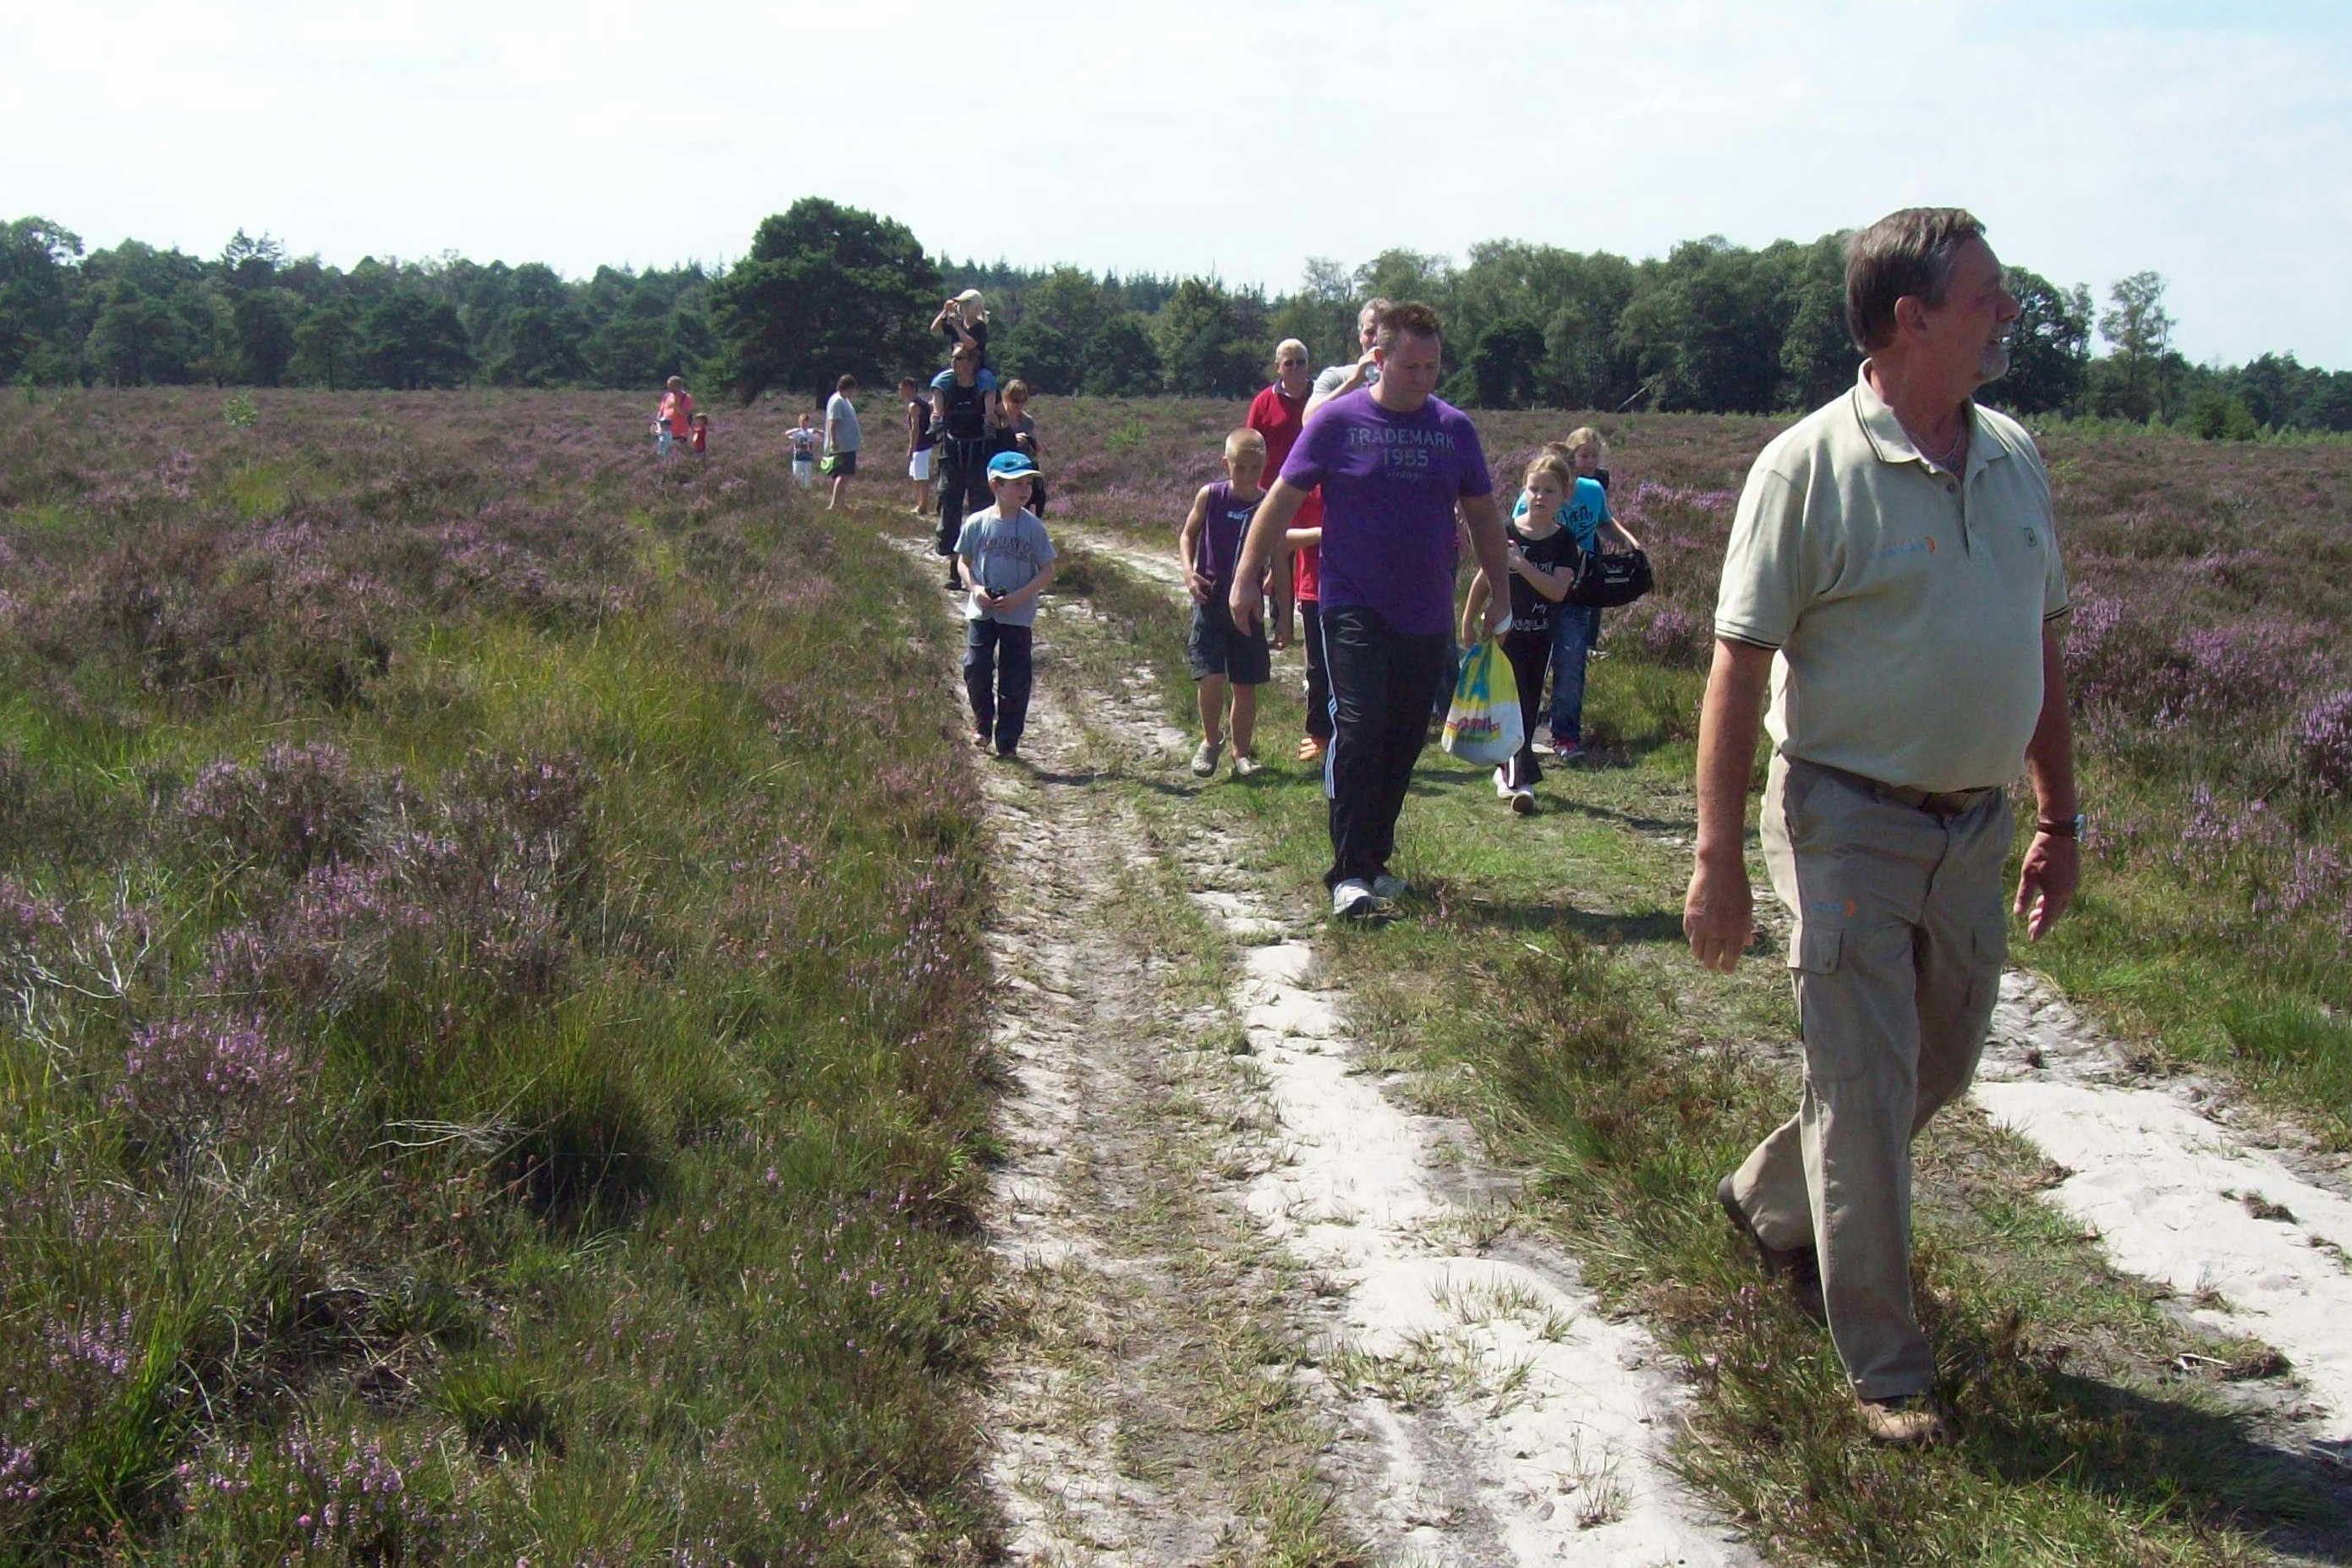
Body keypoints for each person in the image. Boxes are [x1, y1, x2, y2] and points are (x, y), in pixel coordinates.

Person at [1685, 208, 2079, 1449]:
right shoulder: (1805, 467)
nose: (2008, 314)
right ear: (1909, 318)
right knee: (1862, 1089)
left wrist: (2059, 815)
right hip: (1844, 814)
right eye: (1986, 297)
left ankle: (1766, 1195)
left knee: (1941, 1061)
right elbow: (1737, 668)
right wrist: (1716, 860)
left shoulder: (2013, 454)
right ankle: (1886, 1366)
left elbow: (2042, 646)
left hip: (1974, 821)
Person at [1229, 302, 1510, 920]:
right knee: (1357, 728)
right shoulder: (1335, 423)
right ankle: (1348, 871)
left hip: (1426, 608)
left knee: (1403, 737)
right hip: (1351, 603)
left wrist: (1500, 590)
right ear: (1376, 358)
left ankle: (1375, 860)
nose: (1421, 377)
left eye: (1432, 366)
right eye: (1409, 365)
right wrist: (1246, 577)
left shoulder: (1453, 430)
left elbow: (1484, 515)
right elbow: (1279, 501)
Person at [1459, 454, 1584, 814]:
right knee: (1508, 706)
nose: (1540, 497)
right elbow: (1484, 579)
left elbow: (1557, 590)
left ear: (1564, 495)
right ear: (1523, 491)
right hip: (1503, 635)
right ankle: (1521, 783)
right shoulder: (1508, 532)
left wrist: (1524, 566)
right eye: (1534, 489)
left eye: (1549, 490)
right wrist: (1468, 620)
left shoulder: (1564, 541)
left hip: (1541, 636)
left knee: (1528, 706)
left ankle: (1508, 771)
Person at [1515, 449, 1638, 760]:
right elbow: (1515, 536)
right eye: (1536, 488)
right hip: (1534, 595)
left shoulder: (1592, 492)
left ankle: (1566, 736)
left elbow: (1605, 522)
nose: (1541, 495)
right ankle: (1519, 736)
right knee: (1528, 668)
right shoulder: (1529, 501)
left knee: (1570, 662)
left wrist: (1630, 543)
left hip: (1579, 588)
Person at [1181, 430, 1285, 780]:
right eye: (1240, 468)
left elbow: (1280, 559)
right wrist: (1188, 572)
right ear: (1226, 464)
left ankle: (1242, 754)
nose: (1247, 476)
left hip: (1249, 604)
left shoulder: (1268, 503)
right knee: (1210, 677)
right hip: (1210, 596)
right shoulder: (1211, 496)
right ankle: (1211, 742)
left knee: (1245, 683)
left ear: (1265, 466)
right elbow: (1188, 534)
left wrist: (1283, 617)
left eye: (1255, 468)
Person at [1247, 340, 1330, 763]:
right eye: (1288, 363)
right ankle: (1281, 623)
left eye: (1301, 362)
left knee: (1302, 559)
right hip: (1280, 490)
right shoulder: (1265, 401)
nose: (1295, 369)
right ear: (1278, 367)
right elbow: (1253, 444)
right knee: (1278, 556)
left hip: (1314, 484)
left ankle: (1287, 619)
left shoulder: (1320, 399)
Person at [957, 450, 1057, 759]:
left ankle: (1008, 741)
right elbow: (963, 561)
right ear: (996, 486)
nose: (1026, 490)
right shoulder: (977, 522)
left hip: (1018, 615)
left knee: (1015, 678)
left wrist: (1019, 597)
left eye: (1028, 483)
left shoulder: (1034, 528)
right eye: (1017, 483)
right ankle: (983, 725)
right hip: (982, 612)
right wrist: (975, 589)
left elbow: (1048, 571)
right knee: (976, 667)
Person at [932, 347, 1000, 589]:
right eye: (953, 358)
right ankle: (953, 568)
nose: (954, 362)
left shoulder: (984, 389)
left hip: (978, 455)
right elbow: (936, 413)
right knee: (949, 508)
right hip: (952, 455)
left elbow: (997, 418)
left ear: (972, 363)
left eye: (959, 358)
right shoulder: (947, 388)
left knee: (980, 511)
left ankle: (978, 566)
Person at [1303, 299, 1390, 420]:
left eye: (1383, 333)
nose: (1376, 340)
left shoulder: (1410, 380)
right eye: (1370, 332)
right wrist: (1355, 380)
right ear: (1360, 336)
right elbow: (1308, 420)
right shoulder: (1336, 377)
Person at [992, 379, 1047, 518]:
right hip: (1002, 464)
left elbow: (1036, 447)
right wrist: (1012, 439)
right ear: (1006, 397)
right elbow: (990, 443)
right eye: (1016, 401)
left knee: (1037, 492)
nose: (1019, 405)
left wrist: (1033, 443)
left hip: (1023, 463)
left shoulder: (1027, 421)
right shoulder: (997, 417)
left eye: (1023, 401)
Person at [822, 375, 861, 511]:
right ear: (848, 388)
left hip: (849, 446)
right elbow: (833, 422)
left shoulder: (845, 401)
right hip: (842, 446)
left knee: (847, 475)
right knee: (843, 475)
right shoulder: (837, 401)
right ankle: (834, 504)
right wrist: (834, 441)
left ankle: (841, 503)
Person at [902, 376, 937, 515]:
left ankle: (923, 506)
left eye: (902, 389)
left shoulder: (914, 405)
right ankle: (919, 503)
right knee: (916, 475)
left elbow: (915, 428)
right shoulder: (922, 402)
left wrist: (911, 447)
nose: (900, 392)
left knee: (921, 476)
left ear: (909, 388)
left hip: (921, 445)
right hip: (924, 444)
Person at [930, 290, 990, 367]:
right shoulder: (958, 323)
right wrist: (945, 311)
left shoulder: (980, 326)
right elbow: (934, 329)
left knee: (985, 378)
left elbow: (970, 345)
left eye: (966, 304)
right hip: (956, 367)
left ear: (976, 307)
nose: (962, 306)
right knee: (939, 379)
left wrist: (956, 326)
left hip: (976, 368)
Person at [654, 376, 694, 457]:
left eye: (671, 385)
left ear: (679, 385)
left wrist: (675, 404)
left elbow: (685, 414)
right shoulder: (667, 396)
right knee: (663, 454)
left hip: (680, 432)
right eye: (668, 385)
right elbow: (661, 412)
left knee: (682, 454)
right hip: (665, 431)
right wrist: (656, 424)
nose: (669, 387)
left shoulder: (686, 398)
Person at [787, 410, 821, 487]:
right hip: (798, 459)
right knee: (797, 478)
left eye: (806, 422)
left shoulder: (810, 433)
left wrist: (816, 431)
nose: (804, 424)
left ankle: (806, 496)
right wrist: (794, 430)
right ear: (800, 422)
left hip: (808, 459)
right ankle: (797, 494)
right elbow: (786, 434)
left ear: (808, 422)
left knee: (807, 480)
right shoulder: (797, 433)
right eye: (803, 422)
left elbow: (820, 437)